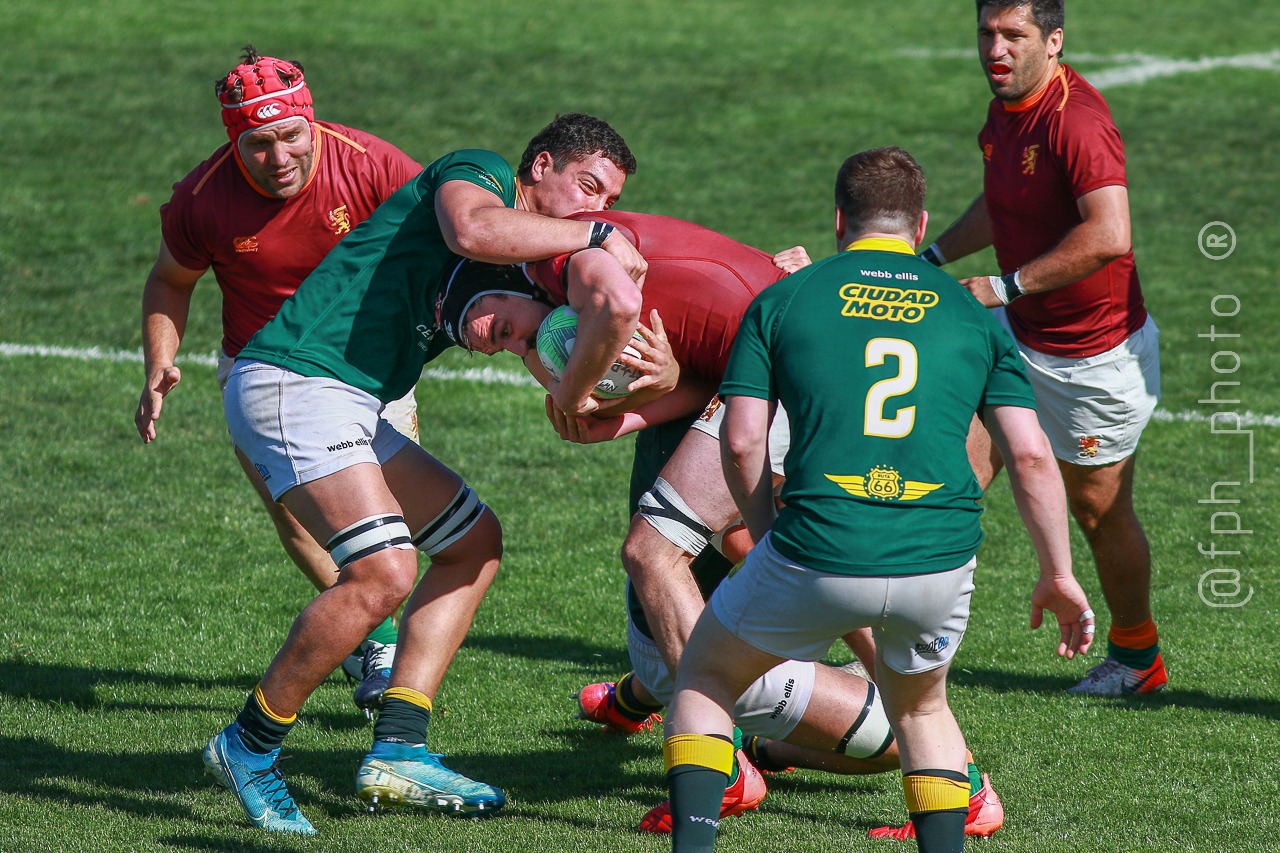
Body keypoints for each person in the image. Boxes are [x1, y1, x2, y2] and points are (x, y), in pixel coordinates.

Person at [446, 210, 1003, 839]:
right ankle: (962, 779)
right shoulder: (641, 267)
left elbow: (584, 284)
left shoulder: (574, 251)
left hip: (794, 394)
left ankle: (721, 752)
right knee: (736, 556)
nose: (520, 345)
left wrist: (576, 395)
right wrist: (623, 414)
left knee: (656, 554)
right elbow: (704, 371)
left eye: (505, 328)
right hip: (804, 389)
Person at [200, 113, 644, 835]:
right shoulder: (478, 171)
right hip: (295, 381)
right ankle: (247, 746)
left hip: (343, 400)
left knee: (474, 542)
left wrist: (609, 389)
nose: (596, 210)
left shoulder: (518, 270)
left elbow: (551, 366)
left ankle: (400, 747)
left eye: (607, 203)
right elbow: (472, 230)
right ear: (539, 167)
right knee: (384, 574)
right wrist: (599, 238)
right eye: (587, 187)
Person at [660, 146, 1095, 853]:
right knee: (923, 708)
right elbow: (1030, 451)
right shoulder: (968, 310)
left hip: (816, 550)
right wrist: (1059, 573)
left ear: (839, 222)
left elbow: (742, 442)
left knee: (705, 676)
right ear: (920, 222)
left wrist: (768, 535)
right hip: (936, 564)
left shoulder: (786, 297)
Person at [134, 45, 423, 714]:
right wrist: (158, 359)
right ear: (235, 140)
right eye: (259, 144)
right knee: (296, 516)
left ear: (311, 122)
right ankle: (376, 644)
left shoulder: (371, 163)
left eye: (292, 135)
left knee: (387, 521)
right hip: (263, 375)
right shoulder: (201, 200)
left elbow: (445, 233)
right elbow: (170, 280)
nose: (280, 156)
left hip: (368, 367)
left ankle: (370, 624)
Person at [920, 0, 1165, 696]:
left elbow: (1110, 233)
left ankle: (1138, 655)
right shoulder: (1007, 108)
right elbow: (1003, 203)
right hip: (1016, 333)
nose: (995, 49)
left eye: (1013, 36)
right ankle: (900, 639)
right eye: (986, 33)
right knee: (949, 471)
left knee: (1097, 510)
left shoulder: (1076, 121)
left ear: (1052, 42)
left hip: (1090, 357)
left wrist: (1005, 286)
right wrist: (929, 254)